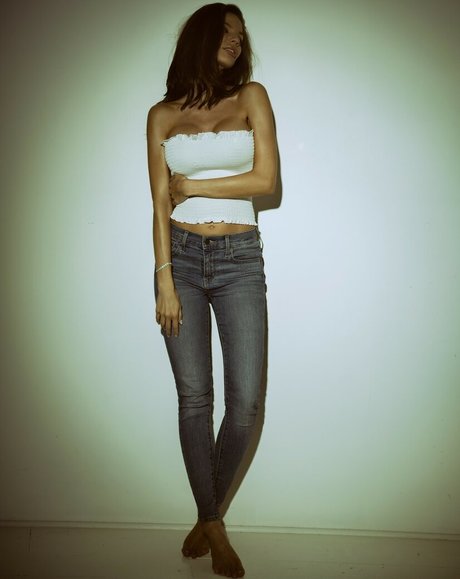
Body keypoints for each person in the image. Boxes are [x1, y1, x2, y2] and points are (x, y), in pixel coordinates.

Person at [146, 3, 277, 577]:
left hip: (239, 258)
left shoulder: (251, 97)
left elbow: (266, 180)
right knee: (195, 400)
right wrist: (164, 278)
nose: (235, 41)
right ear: (200, 37)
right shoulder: (161, 115)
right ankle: (216, 526)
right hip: (180, 258)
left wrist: (195, 185)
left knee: (245, 403)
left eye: (240, 35)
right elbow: (159, 203)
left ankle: (206, 517)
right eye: (226, 32)